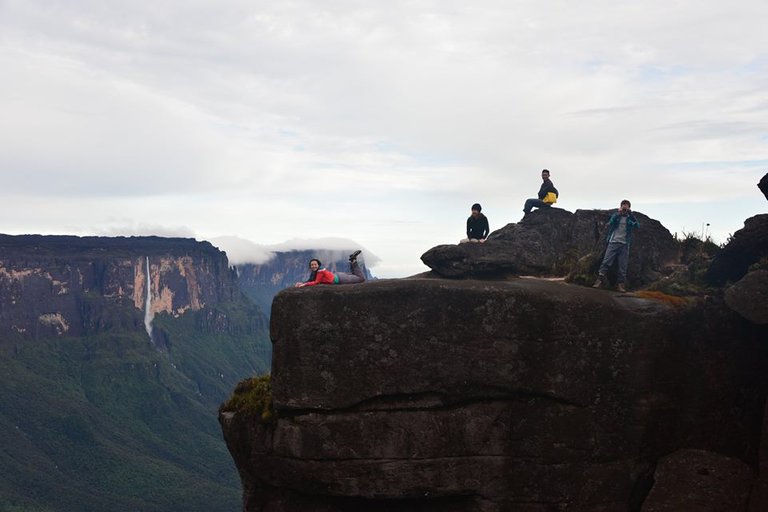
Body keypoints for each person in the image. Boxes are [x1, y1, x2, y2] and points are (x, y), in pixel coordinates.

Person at [593, 200, 640, 292]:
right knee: (606, 261)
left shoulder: (630, 218)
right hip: (613, 242)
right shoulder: (616, 216)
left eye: (626, 206)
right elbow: (611, 222)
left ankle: (620, 285)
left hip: (624, 244)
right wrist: (619, 213)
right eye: (623, 206)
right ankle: (599, 281)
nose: (625, 208)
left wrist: (631, 215)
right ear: (621, 206)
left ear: (629, 208)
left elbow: (637, 226)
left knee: (623, 265)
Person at [295, 250, 366, 287]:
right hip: (338, 276)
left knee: (361, 278)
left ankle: (353, 260)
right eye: (312, 265)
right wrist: (302, 283)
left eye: (315, 264)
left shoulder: (320, 271)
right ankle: (352, 261)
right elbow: (310, 280)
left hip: (341, 279)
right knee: (354, 275)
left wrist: (304, 285)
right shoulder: (315, 272)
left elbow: (316, 282)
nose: (313, 266)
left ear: (318, 265)